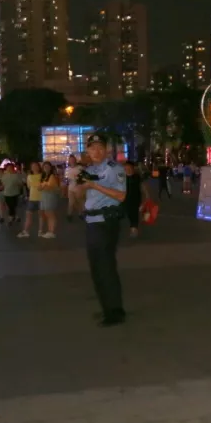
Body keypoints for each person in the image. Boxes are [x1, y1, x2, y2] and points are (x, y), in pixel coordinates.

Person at [79, 133, 128, 327]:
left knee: (105, 267)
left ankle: (115, 311)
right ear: (88, 150)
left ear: (106, 149)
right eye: (92, 148)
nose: (96, 151)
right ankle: (107, 307)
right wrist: (80, 185)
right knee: (96, 268)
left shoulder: (114, 169)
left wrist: (94, 185)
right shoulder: (90, 169)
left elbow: (121, 195)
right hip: (92, 221)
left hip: (106, 222)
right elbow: (81, 192)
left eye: (100, 147)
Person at [18, 162, 43, 238]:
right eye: (33, 166)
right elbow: (28, 187)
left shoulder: (42, 175)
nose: (34, 167)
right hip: (32, 198)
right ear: (31, 168)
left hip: (41, 198)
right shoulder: (29, 176)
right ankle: (26, 231)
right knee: (28, 215)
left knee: (41, 216)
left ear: (39, 167)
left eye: (36, 166)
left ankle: (40, 231)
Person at [38, 162, 61, 238]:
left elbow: (49, 187)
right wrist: (43, 186)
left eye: (48, 166)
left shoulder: (52, 176)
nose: (46, 168)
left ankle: (52, 232)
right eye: (45, 166)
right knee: (47, 214)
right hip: (44, 196)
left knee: (50, 214)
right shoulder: (43, 176)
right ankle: (49, 231)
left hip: (50, 196)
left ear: (50, 168)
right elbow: (39, 188)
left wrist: (43, 186)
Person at [124, 161, 142, 237]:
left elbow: (142, 187)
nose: (127, 169)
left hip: (135, 199)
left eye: (129, 168)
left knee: (134, 215)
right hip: (124, 199)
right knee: (128, 213)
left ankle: (134, 230)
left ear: (132, 168)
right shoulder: (122, 177)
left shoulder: (137, 177)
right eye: (126, 168)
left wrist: (147, 196)